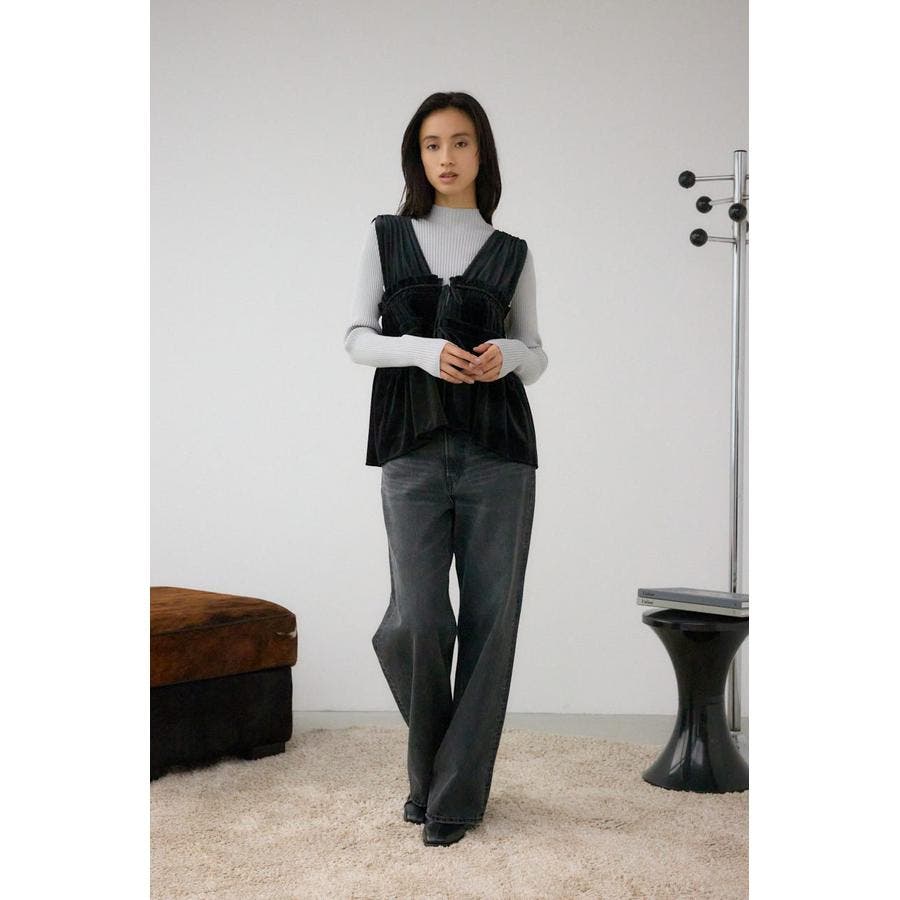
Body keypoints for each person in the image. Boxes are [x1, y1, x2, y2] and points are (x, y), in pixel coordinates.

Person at [343, 91, 548, 846]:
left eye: (460, 142)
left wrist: (508, 356)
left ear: (480, 152)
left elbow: (537, 352)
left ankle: (450, 799)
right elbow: (357, 338)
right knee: (417, 620)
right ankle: (436, 771)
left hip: (500, 455)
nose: (447, 157)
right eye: (432, 145)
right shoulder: (387, 236)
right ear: (418, 157)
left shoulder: (512, 251)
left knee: (492, 625)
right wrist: (425, 350)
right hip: (412, 448)